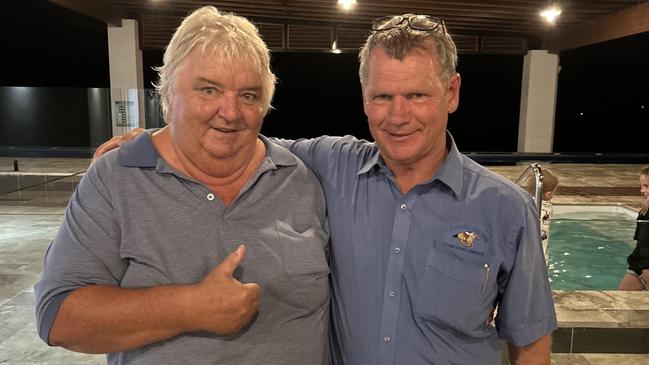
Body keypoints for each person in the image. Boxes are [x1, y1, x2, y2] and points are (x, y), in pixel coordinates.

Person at [96, 13, 557, 364]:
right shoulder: (330, 166)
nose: (398, 117)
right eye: (382, 97)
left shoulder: (505, 209)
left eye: (417, 95)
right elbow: (236, 134)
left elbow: (531, 340)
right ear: (364, 97)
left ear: (451, 93)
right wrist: (160, 139)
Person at [34, 6, 330, 365]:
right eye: (209, 90)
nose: (231, 111)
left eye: (249, 95)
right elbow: (59, 317)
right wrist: (189, 308)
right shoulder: (116, 178)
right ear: (169, 95)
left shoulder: (299, 176)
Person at [619, 166, 649, 291]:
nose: (642, 190)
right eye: (642, 186)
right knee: (621, 300)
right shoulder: (644, 212)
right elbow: (640, 245)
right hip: (639, 267)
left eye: (647, 186)